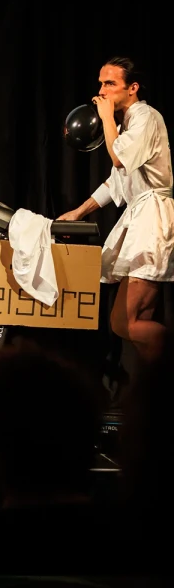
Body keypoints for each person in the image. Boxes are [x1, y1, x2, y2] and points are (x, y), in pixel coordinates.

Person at [58, 57, 174, 364]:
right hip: (140, 215)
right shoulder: (128, 125)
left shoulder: (145, 117)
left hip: (153, 219)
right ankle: (154, 396)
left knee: (124, 321)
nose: (102, 91)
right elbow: (115, 182)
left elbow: (119, 159)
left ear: (132, 88)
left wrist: (107, 118)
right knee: (139, 317)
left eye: (110, 83)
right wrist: (79, 212)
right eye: (101, 83)